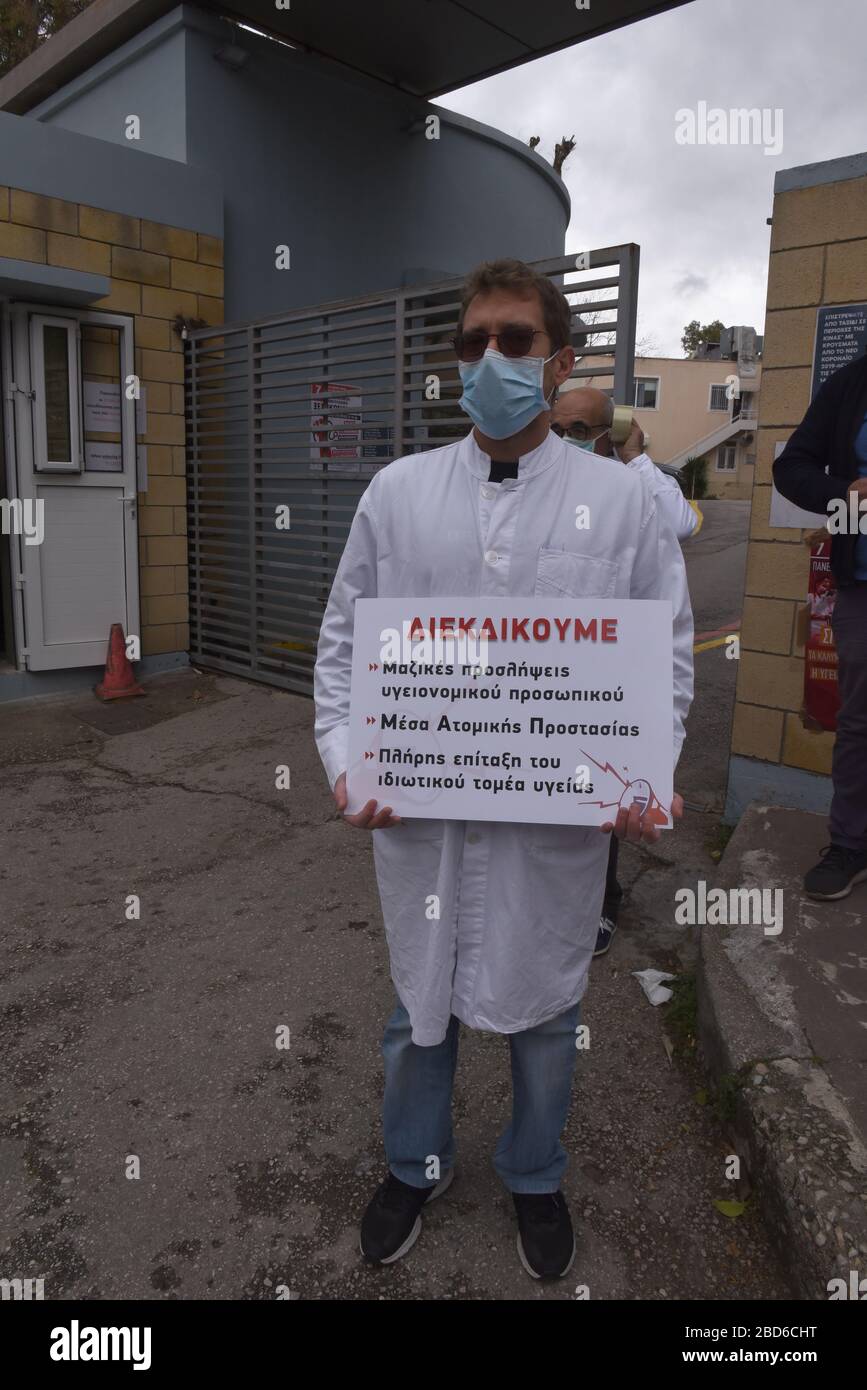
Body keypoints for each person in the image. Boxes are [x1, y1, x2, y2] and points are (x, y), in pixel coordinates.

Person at [314, 259, 694, 1280]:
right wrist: (352, 765)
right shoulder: (397, 495)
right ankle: (415, 1162)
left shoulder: (623, 505)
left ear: (559, 358)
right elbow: (344, 645)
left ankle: (535, 1175)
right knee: (416, 1014)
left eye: (514, 339)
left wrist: (642, 770)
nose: (490, 358)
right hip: (419, 824)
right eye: (473, 340)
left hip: (551, 835)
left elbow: (664, 653)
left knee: (547, 1018)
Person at [551, 386, 698, 955]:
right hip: (542, 674)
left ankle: (602, 901)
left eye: (583, 430)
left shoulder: (635, 487)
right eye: (560, 427)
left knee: (602, 793)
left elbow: (681, 524)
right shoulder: (544, 479)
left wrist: (637, 459)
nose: (570, 440)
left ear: (608, 434)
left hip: (608, 674)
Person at [773, 350, 867, 900]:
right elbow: (792, 468)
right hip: (862, 586)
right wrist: (844, 497)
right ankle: (851, 843)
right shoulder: (850, 383)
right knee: (859, 722)